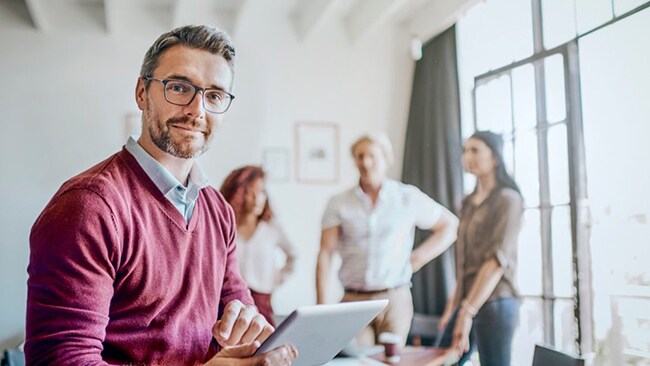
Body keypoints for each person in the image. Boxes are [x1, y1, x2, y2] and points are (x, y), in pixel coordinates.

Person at [25, 25, 297, 365]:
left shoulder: (218, 210)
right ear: (141, 92)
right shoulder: (89, 207)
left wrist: (255, 335)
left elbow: (240, 311)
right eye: (179, 87)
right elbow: (62, 361)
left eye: (214, 95)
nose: (197, 110)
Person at [316, 133, 459, 347]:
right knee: (358, 361)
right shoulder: (338, 203)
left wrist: (419, 257)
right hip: (353, 301)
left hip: (395, 300)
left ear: (385, 159)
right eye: (360, 156)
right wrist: (321, 306)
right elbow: (326, 253)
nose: (365, 162)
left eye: (372, 155)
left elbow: (450, 225)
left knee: (392, 361)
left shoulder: (407, 197)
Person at [437, 130, 524, 365]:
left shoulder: (508, 200)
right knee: (438, 360)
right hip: (467, 303)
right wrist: (452, 309)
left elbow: (497, 261)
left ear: (495, 158)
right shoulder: (467, 203)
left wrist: (466, 312)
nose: (468, 156)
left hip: (496, 303)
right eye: (465, 150)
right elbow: (464, 264)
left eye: (475, 150)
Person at [220, 165, 297, 327]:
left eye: (261, 191)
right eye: (249, 192)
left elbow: (294, 256)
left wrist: (275, 280)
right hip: (228, 308)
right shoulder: (224, 227)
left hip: (263, 303)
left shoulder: (272, 228)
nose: (256, 198)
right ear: (237, 194)